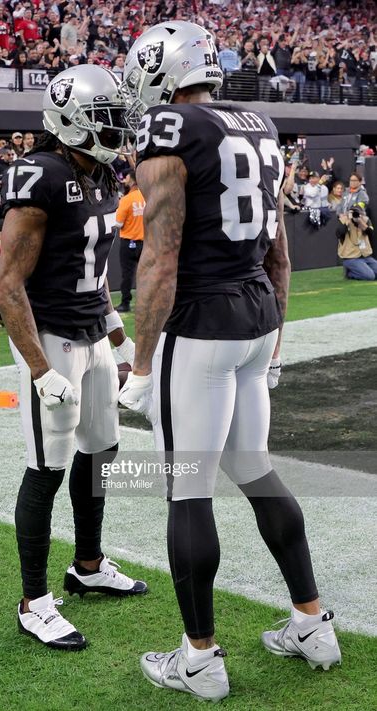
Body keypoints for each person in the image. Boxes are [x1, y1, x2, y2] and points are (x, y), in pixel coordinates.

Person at [119, 20, 341, 703]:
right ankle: (311, 620)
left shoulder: (170, 129)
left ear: (164, 70)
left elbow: (159, 257)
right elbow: (277, 248)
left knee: (187, 484)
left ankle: (199, 657)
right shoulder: (259, 122)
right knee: (253, 466)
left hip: (203, 322)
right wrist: (274, 339)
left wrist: (141, 365)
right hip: (253, 317)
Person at [0, 64, 147, 652]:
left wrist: (117, 335)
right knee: (47, 465)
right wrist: (39, 370)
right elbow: (9, 285)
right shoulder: (42, 177)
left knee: (102, 449)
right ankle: (33, 601)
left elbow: (94, 275)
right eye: (107, 118)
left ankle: (87, 564)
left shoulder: (103, 175)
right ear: (73, 121)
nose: (116, 129)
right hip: (51, 337)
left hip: (89, 332)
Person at [115, 169, 145, 312]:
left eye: (126, 178)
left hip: (128, 242)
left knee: (127, 275)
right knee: (146, 275)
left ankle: (125, 303)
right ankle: (146, 303)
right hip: (145, 242)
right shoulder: (146, 197)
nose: (124, 181)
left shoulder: (126, 200)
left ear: (132, 180)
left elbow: (118, 224)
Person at [337, 206, 376, 280]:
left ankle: (361, 270)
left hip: (366, 256)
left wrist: (360, 222)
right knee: (370, 276)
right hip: (351, 258)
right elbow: (339, 233)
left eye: (357, 213)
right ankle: (350, 273)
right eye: (354, 213)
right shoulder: (344, 219)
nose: (355, 215)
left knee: (372, 274)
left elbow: (371, 234)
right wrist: (347, 220)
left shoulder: (365, 220)